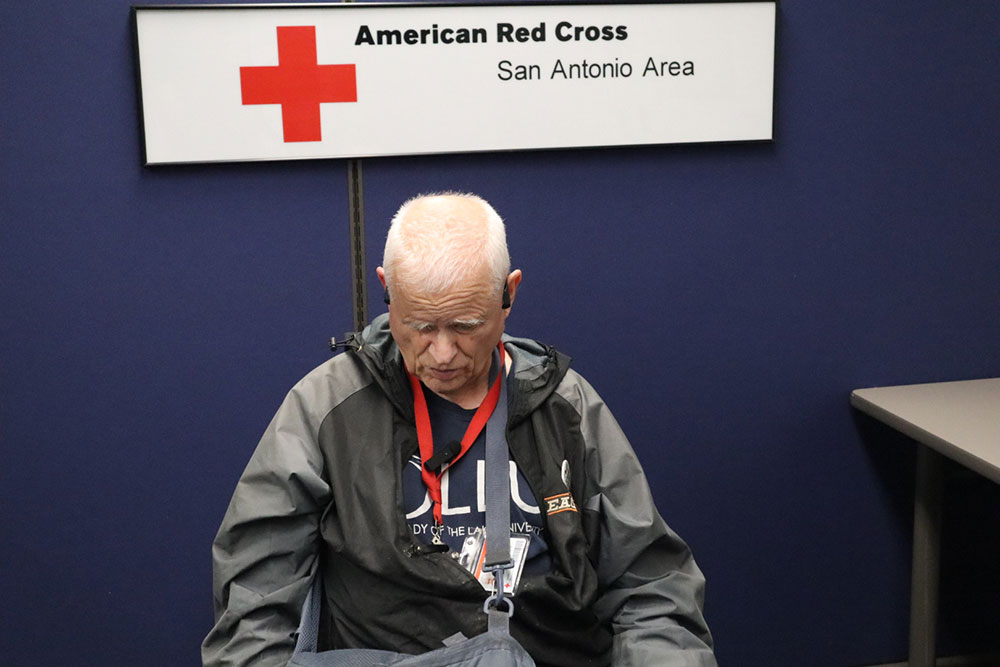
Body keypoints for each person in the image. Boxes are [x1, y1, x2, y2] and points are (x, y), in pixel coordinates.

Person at [202, 193, 716, 667]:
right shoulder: (327, 407)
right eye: (421, 326)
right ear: (386, 290)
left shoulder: (566, 407)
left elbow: (651, 589)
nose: (443, 353)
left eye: (465, 326)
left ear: (509, 293)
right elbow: (254, 603)